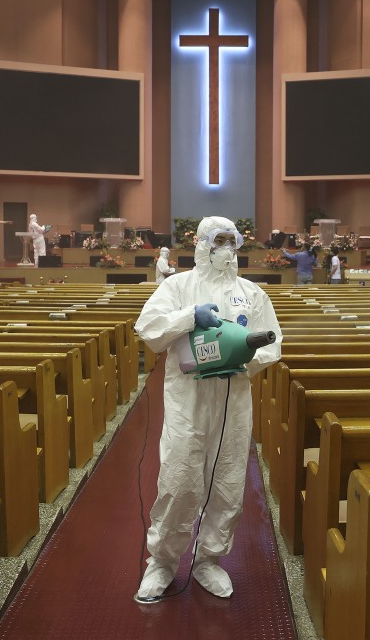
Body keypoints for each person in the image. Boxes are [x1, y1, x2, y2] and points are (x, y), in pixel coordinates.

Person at [134, 216, 282, 602]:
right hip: (187, 399)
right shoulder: (177, 286)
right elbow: (149, 329)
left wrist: (237, 359)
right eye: (218, 241)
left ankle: (208, 561)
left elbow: (272, 344)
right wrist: (188, 317)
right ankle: (162, 563)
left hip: (233, 398)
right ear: (201, 243)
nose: (226, 248)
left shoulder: (251, 292)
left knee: (229, 479)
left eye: (231, 241)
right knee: (179, 478)